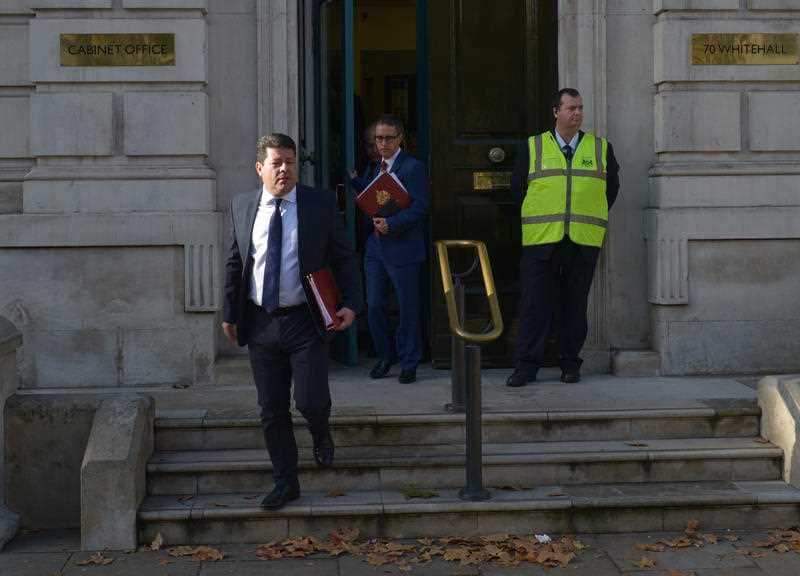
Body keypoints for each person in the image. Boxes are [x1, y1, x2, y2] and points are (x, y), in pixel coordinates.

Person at [222, 133, 362, 510]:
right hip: (261, 322)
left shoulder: (318, 204)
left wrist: (351, 303)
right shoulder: (242, 206)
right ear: (259, 168)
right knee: (271, 407)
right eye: (276, 163)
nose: (285, 169)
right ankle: (286, 481)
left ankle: (320, 433)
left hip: (306, 320)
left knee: (311, 400)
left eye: (290, 162)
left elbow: (344, 256)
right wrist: (229, 313)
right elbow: (236, 262)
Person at [506, 88, 620, 387]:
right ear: (556, 111)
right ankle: (526, 367)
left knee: (574, 307)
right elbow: (517, 189)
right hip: (541, 240)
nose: (578, 113)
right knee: (534, 306)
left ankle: (570, 364)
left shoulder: (600, 148)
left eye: (581, 108)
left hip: (582, 241)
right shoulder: (533, 147)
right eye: (571, 108)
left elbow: (611, 190)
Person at [353, 115, 429, 384]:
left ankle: (410, 362)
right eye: (378, 138)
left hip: (404, 247)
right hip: (375, 247)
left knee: (408, 308)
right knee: (374, 305)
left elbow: (421, 206)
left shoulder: (413, 167)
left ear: (400, 139)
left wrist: (393, 224)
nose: (383, 143)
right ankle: (386, 356)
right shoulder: (374, 168)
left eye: (388, 138)